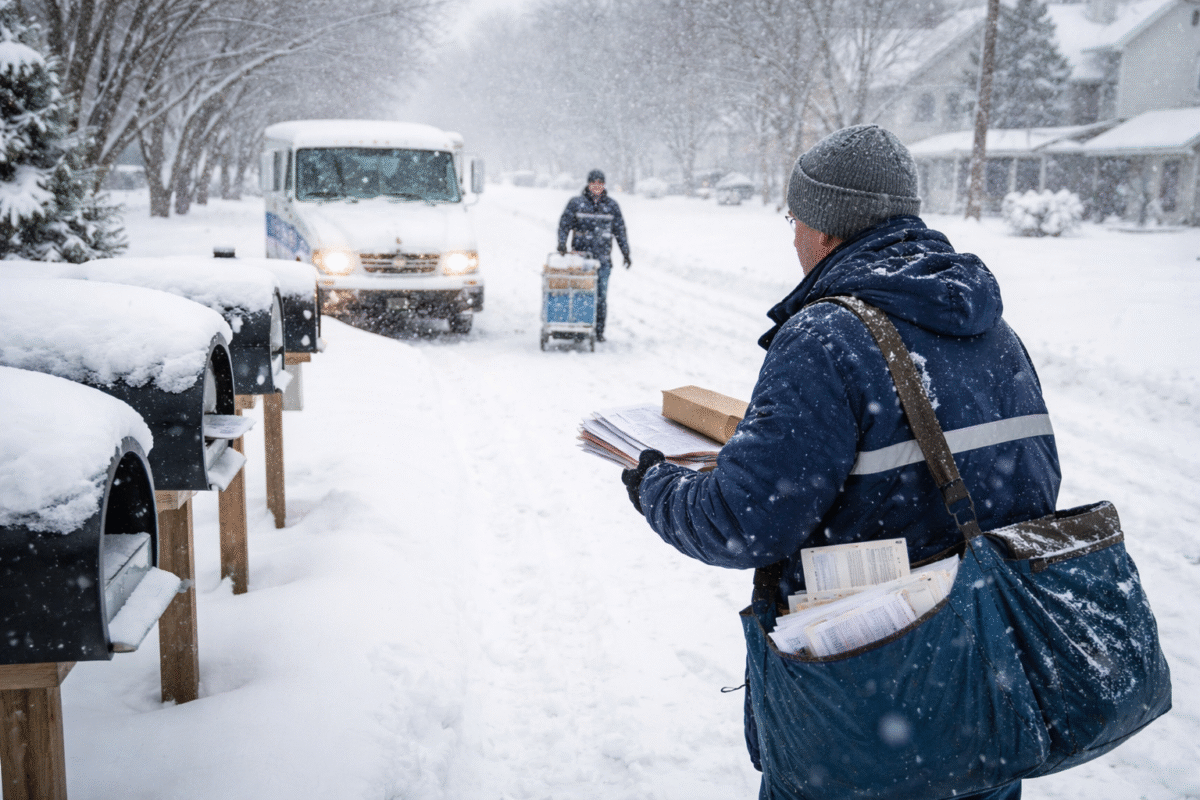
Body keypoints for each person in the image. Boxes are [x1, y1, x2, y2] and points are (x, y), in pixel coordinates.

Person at [619, 125, 1060, 800]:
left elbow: (741, 522)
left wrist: (655, 483)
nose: (791, 235)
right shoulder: (995, 330)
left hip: (859, 709)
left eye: (793, 219)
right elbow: (1033, 485)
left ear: (827, 229)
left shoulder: (826, 336)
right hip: (984, 693)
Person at [557, 169, 631, 342]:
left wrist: (626, 253)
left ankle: (598, 331)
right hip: (580, 259)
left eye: (600, 183)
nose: (597, 187)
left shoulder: (611, 206)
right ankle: (580, 329)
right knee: (581, 293)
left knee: (600, 297)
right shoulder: (576, 203)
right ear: (588, 184)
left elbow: (620, 231)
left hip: (603, 259)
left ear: (604, 185)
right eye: (594, 183)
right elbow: (564, 225)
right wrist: (562, 243)